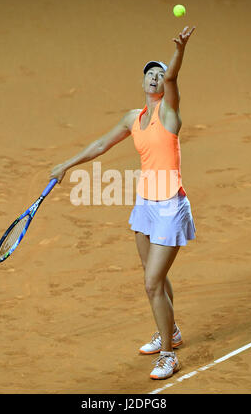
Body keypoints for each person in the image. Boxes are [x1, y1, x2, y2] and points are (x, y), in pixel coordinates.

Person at [49, 25, 196, 380]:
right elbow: (102, 144)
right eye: (150, 73)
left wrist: (179, 51)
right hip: (145, 205)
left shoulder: (170, 113)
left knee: (151, 283)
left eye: (160, 75)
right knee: (155, 280)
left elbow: (174, 77)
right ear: (142, 81)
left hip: (170, 207)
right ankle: (170, 333)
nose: (155, 77)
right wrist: (67, 164)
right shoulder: (135, 118)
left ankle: (167, 355)